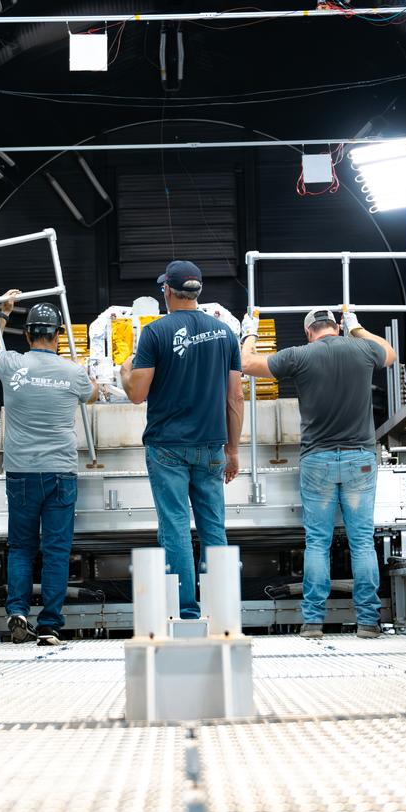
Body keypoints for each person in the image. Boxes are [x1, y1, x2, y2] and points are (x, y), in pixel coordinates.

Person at [240, 306, 396, 635]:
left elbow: (246, 363)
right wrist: (358, 328)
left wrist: (250, 333)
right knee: (363, 543)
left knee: (317, 543)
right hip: (360, 459)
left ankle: (313, 621)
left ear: (309, 331)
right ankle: (368, 620)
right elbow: (390, 353)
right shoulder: (363, 349)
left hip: (318, 461)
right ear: (336, 327)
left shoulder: (300, 355)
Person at [120, 259, 244, 620]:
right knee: (213, 529)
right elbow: (234, 397)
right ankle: (222, 613)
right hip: (211, 447)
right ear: (198, 291)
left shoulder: (156, 333)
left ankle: (185, 614)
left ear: (168, 291)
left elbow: (137, 394)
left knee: (174, 527)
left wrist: (126, 371)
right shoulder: (225, 334)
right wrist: (233, 450)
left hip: (167, 448)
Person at [0, 290, 97, 643]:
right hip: (60, 471)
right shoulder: (73, 373)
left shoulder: (13, 365)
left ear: (28, 335)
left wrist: (3, 313)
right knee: (57, 549)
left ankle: (17, 611)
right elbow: (93, 393)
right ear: (59, 335)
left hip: (21, 471)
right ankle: (49, 625)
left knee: (21, 547)